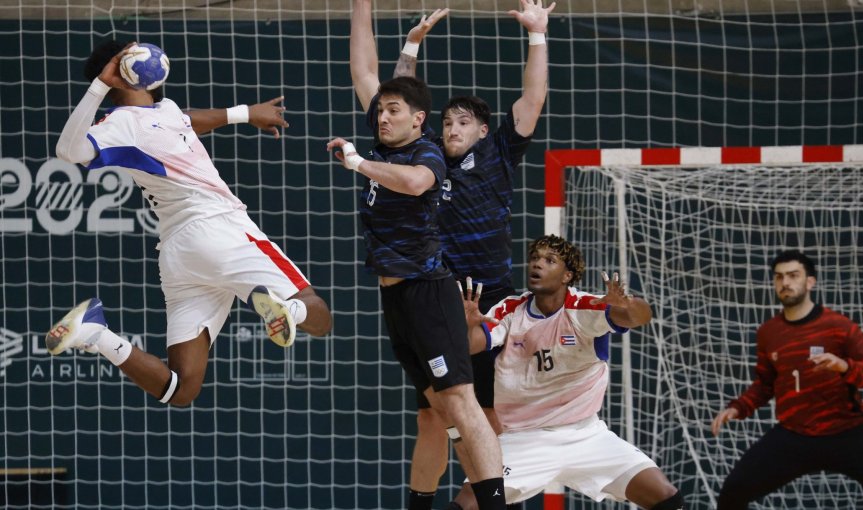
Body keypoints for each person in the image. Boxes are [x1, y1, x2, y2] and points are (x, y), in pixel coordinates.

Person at [47, 40, 332, 407]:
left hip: (179, 254)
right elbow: (69, 152)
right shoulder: (120, 124)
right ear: (125, 75)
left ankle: (97, 334)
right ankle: (286, 309)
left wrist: (245, 113)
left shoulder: (164, 109)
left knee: (181, 389)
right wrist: (102, 84)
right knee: (319, 315)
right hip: (220, 228)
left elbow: (189, 120)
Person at [324, 3, 508, 509]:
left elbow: (416, 184)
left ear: (418, 120)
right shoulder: (385, 143)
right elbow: (363, 69)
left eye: (393, 111)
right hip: (396, 296)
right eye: (379, 112)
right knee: (431, 413)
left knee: (460, 403)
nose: (382, 117)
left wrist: (358, 162)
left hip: (430, 292)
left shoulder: (423, 153)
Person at [387, 2, 554, 508]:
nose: (453, 129)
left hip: (493, 300)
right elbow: (398, 100)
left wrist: (538, 35)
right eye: (447, 122)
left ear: (482, 129)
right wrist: (411, 45)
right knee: (432, 415)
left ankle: (477, 502)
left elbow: (532, 96)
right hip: (436, 296)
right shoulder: (428, 156)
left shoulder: (500, 150)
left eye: (463, 122)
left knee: (485, 414)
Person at [462, 235, 683, 510]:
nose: (537, 265)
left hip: (586, 435)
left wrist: (628, 304)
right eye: (535, 259)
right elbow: (472, 345)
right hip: (523, 437)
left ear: (567, 275)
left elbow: (639, 318)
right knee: (468, 504)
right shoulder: (510, 309)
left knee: (666, 497)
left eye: (549, 260)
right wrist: (468, 325)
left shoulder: (585, 308)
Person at [711, 250, 863, 509]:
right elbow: (765, 384)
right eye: (778, 277)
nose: (785, 283)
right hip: (794, 435)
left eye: (793, 275)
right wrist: (738, 407)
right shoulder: (769, 332)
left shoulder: (839, 325)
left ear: (810, 282)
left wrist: (845, 366)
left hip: (847, 432)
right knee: (733, 492)